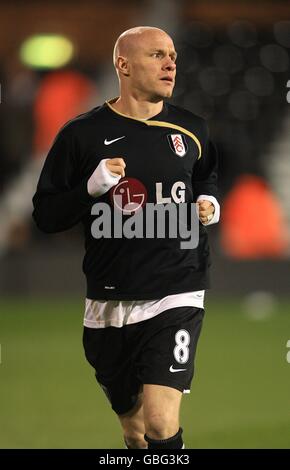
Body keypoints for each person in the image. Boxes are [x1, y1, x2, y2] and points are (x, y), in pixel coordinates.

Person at [32, 26, 220, 449]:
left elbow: (207, 177)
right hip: (107, 303)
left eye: (172, 55)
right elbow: (45, 215)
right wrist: (89, 190)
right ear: (123, 65)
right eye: (157, 55)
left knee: (159, 422)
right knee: (135, 434)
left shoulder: (192, 129)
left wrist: (210, 203)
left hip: (177, 290)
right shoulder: (81, 135)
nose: (171, 63)